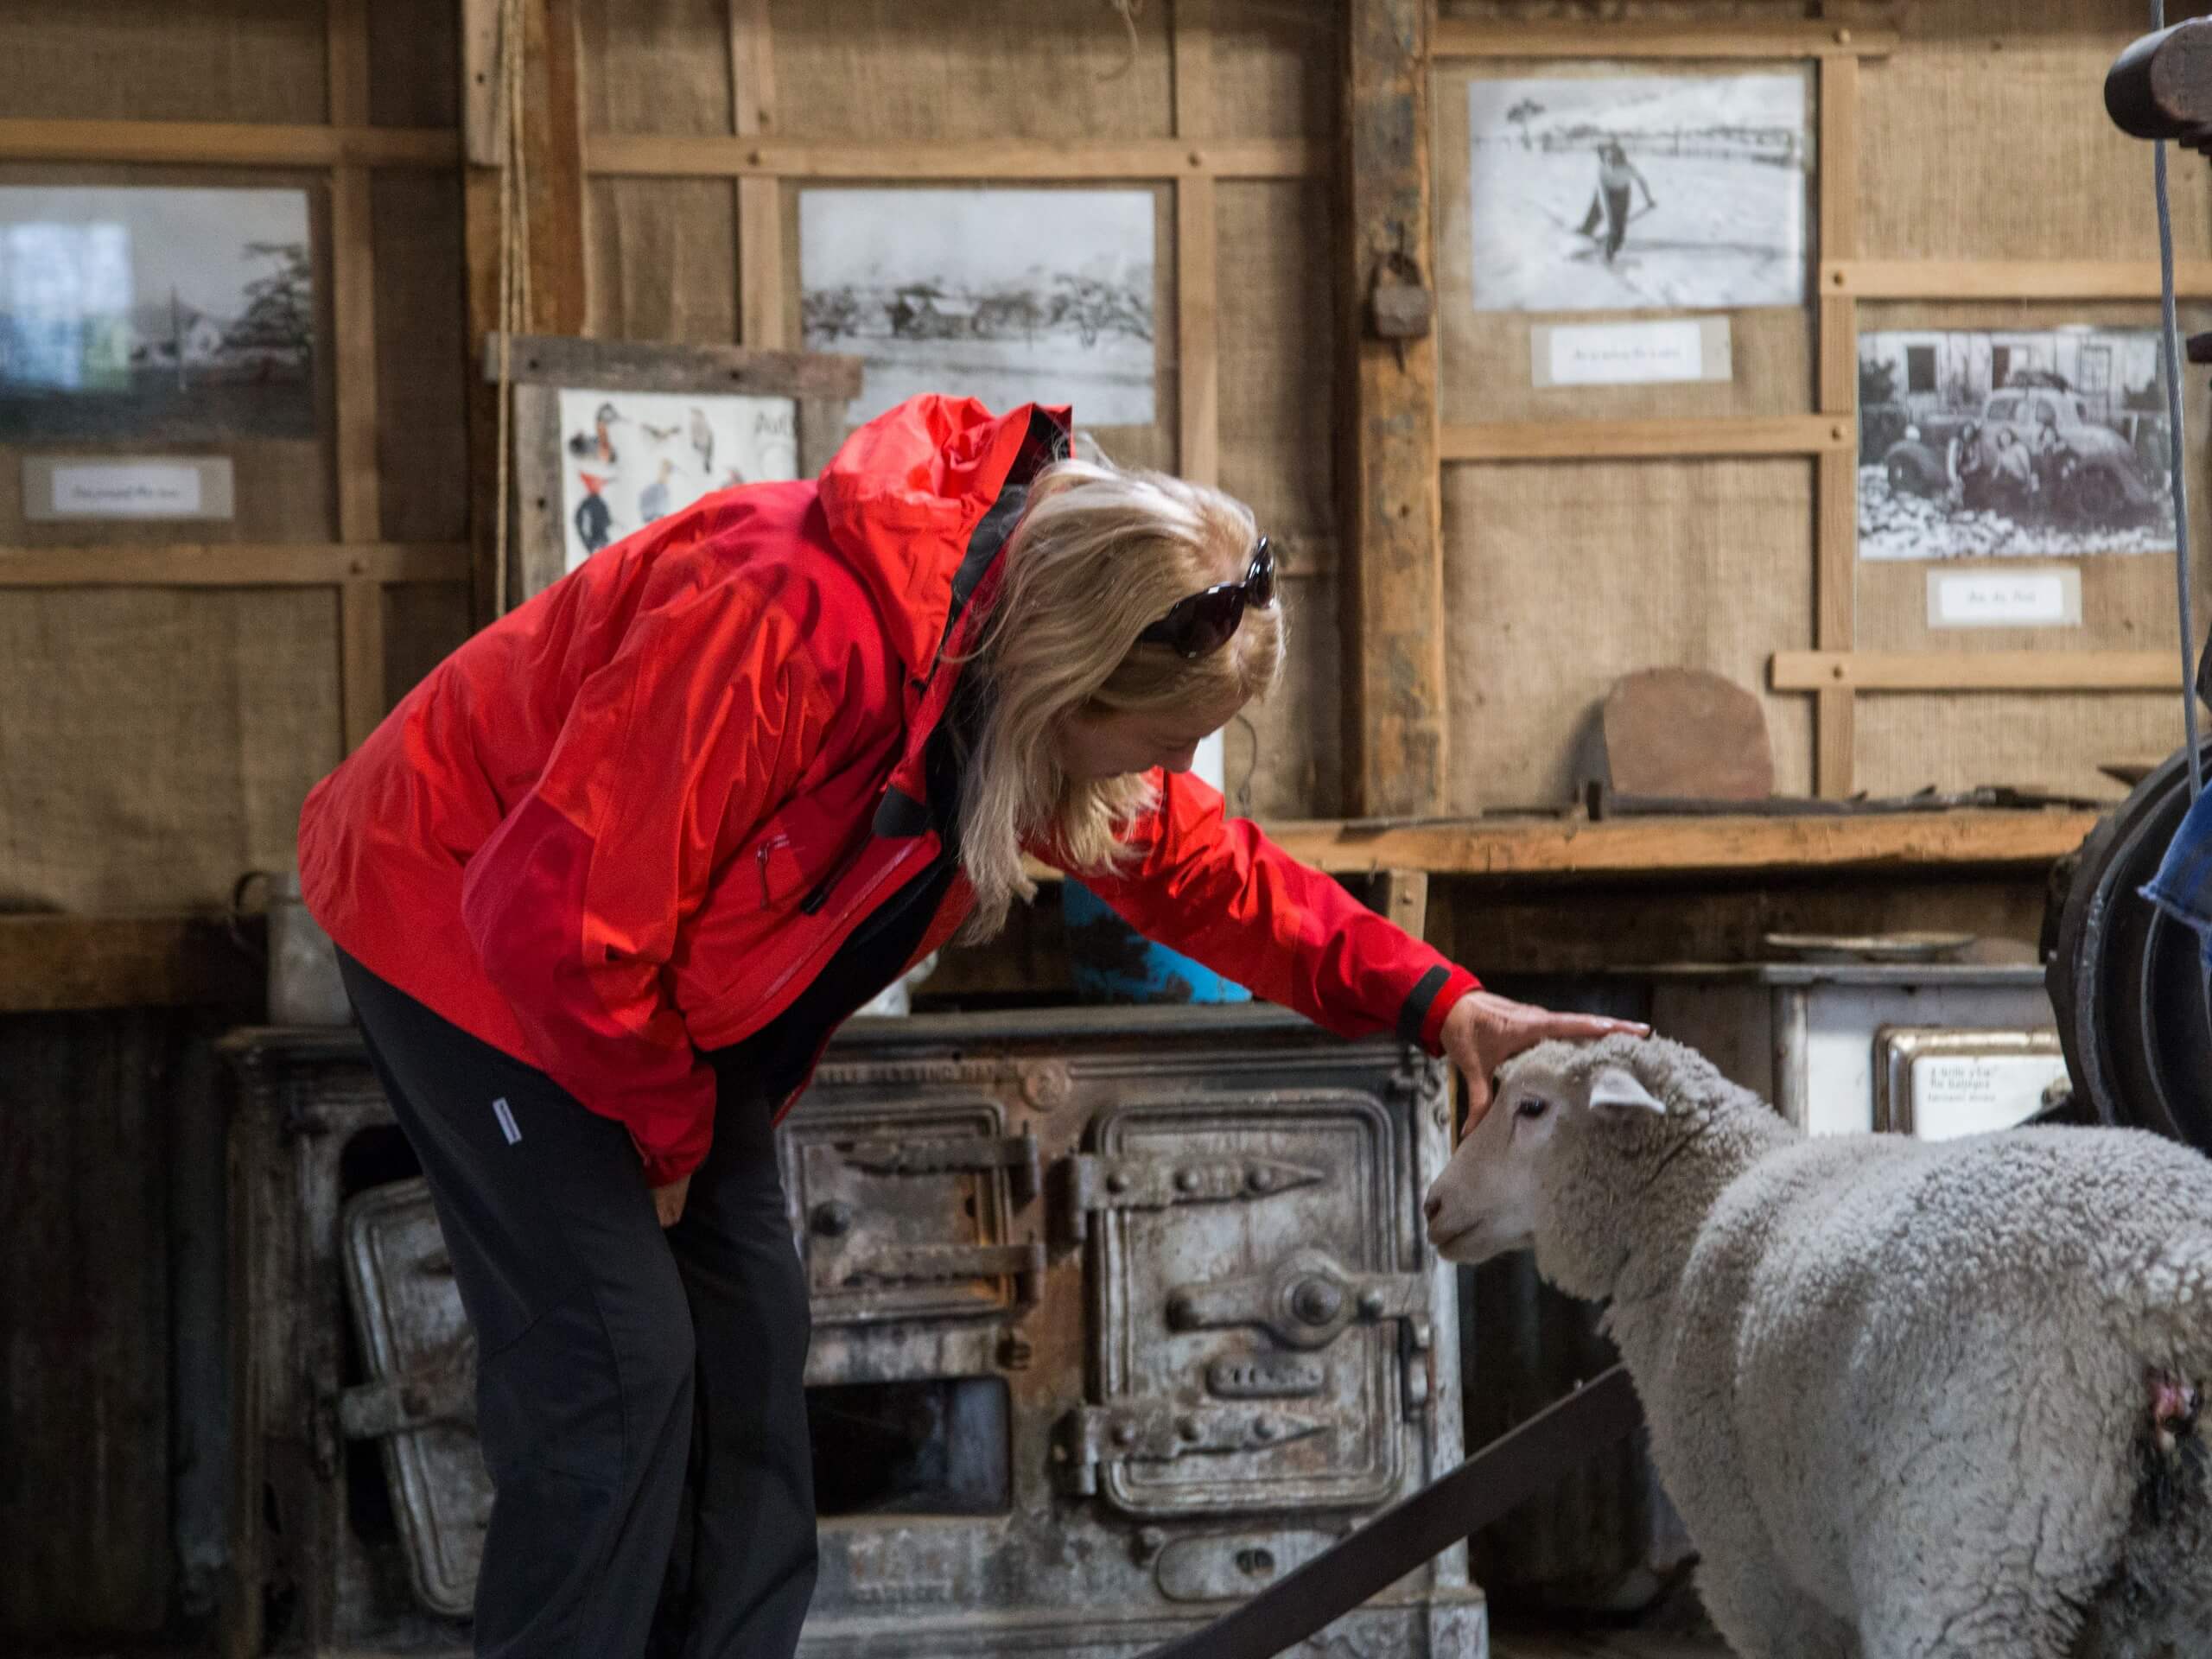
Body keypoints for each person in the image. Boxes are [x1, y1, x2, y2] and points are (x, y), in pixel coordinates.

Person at [296, 395, 1645, 1659]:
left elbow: (1198, 870)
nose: (1167, 776)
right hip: (470, 935)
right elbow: (556, 923)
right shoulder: (784, 624)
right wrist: (660, 1144)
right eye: (1162, 743)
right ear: (1076, 688)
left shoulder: (1010, 673)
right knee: (616, 1371)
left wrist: (1438, 1000)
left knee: (749, 1371)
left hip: (661, 1000)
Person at [1576, 139, 1656, 263]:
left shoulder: (1629, 168)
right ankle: (1583, 236)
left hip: (1622, 194)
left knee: (1620, 221)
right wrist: (1609, 220)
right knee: (1595, 214)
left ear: (1621, 158)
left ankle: (1614, 246)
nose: (1611, 162)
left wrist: (1649, 199)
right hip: (1605, 192)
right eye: (1608, 159)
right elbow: (1603, 198)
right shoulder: (1603, 169)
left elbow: (1641, 181)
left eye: (1615, 158)